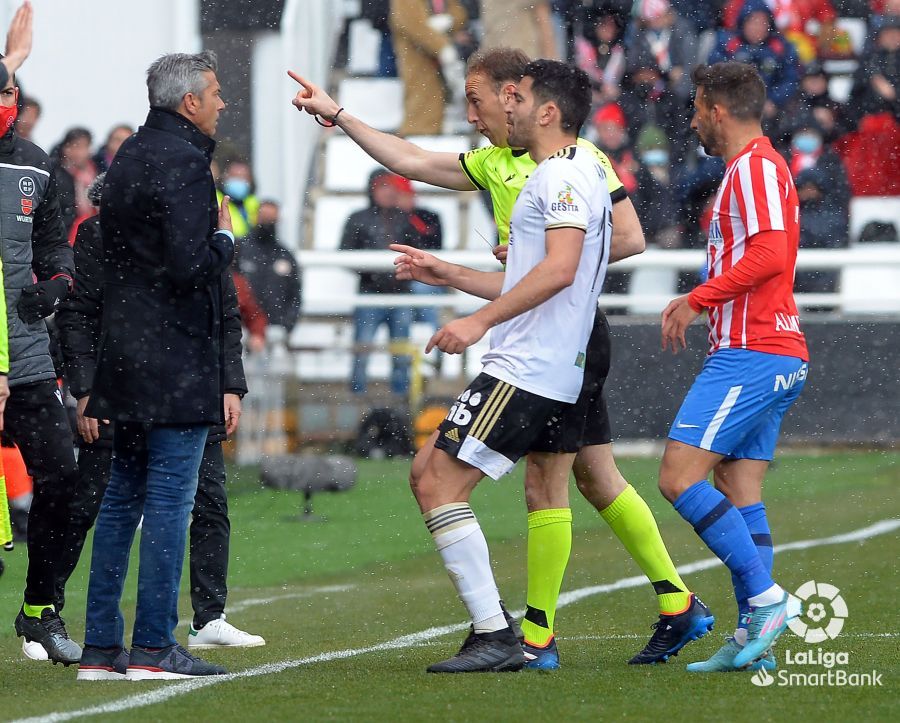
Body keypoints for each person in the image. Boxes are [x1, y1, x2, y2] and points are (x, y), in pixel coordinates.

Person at [290, 46, 708, 671]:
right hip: (536, 326)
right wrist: (340, 115)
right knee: (583, 479)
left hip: (548, 340)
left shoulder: (571, 168)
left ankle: (520, 633)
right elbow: (408, 157)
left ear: (518, 98)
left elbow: (624, 242)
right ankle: (658, 605)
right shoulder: (510, 163)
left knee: (532, 483)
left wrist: (545, 268)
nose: (475, 114)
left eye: (479, 100)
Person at [391, 59, 611, 672]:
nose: (502, 109)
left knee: (436, 480)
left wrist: (477, 322)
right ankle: (511, 631)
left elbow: (560, 269)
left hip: (527, 367)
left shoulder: (559, 176)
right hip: (546, 363)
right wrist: (447, 273)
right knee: (464, 478)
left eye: (516, 100)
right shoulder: (571, 171)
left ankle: (497, 633)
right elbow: (534, 274)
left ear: (546, 111)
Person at [54, 174, 264, 676]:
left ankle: (129, 640)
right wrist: (84, 389)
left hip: (168, 386)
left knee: (185, 501)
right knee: (126, 505)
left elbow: (225, 312)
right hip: (154, 389)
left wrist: (229, 383)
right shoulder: (130, 237)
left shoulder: (163, 232)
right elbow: (82, 314)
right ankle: (132, 640)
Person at [80, 50, 236, 680]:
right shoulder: (185, 165)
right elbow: (188, 266)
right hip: (176, 357)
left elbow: (118, 258)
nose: (223, 103)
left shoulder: (127, 160)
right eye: (217, 93)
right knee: (172, 501)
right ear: (190, 102)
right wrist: (225, 240)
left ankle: (99, 646)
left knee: (121, 500)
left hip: (125, 350)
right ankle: (151, 645)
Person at [658, 62, 809, 673]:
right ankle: (756, 635)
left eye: (696, 108)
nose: (692, 119)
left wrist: (698, 299)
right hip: (769, 351)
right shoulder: (750, 170)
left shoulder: (753, 168)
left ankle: (768, 599)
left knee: (677, 476)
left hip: (754, 352)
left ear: (717, 110)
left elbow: (773, 254)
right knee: (738, 486)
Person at [1, 2, 85, 667]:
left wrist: (57, 282)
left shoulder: (38, 166)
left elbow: (59, 249)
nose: (6, 99)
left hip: (27, 361)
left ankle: (40, 608)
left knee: (63, 477)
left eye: (9, 88)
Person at [340, 170, 419, 396]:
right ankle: (357, 395)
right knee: (362, 349)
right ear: (372, 189)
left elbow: (417, 249)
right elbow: (345, 253)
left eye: (391, 186)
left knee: (402, 351)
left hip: (400, 292)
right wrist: (372, 272)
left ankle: (401, 396)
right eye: (383, 186)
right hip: (370, 292)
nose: (389, 191)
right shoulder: (358, 218)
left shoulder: (404, 218)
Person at [388, 0, 468, 135]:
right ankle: (419, 137)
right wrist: (441, 47)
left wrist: (450, 21)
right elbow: (413, 25)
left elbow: (459, 13)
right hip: (418, 57)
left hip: (448, 57)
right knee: (423, 103)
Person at [237, 200, 302, 336]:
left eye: (271, 218)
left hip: (275, 330)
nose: (267, 221)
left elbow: (295, 294)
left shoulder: (285, 255)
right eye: (264, 216)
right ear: (255, 216)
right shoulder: (239, 250)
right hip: (243, 331)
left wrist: (286, 325)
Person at [50, 127, 97, 240]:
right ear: (65, 148)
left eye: (83, 147)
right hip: (62, 236)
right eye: (75, 146)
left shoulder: (94, 173)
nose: (79, 152)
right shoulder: (56, 173)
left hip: (88, 236)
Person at [217, 159, 260, 239]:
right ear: (225, 177)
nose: (239, 181)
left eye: (243, 177)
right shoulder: (215, 199)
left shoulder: (253, 202)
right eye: (235, 176)